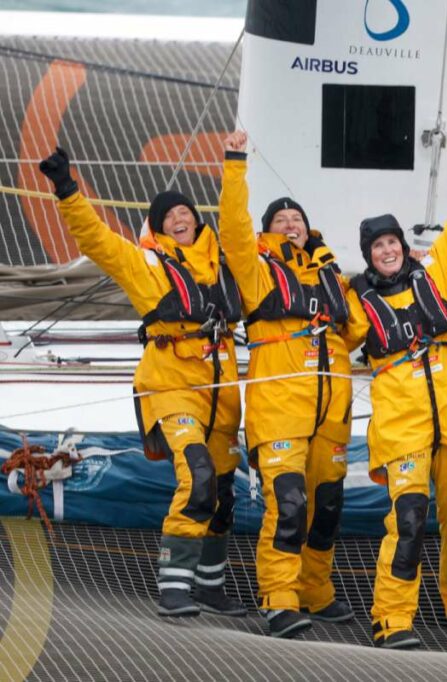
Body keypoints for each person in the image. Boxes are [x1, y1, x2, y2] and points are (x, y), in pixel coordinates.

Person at [39, 148, 245, 619]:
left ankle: (211, 587)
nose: (180, 218)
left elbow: (237, 221)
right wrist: (66, 188)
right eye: (169, 215)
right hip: (171, 387)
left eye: (185, 212)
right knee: (197, 476)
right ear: (157, 226)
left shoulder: (224, 263)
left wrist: (235, 163)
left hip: (223, 395)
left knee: (223, 494)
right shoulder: (144, 265)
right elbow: (95, 239)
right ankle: (173, 584)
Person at [340, 121, 447, 649]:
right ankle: (392, 620)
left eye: (392, 242)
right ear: (369, 255)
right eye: (377, 247)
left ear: (403, 246)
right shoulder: (358, 305)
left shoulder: (437, 277)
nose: (387, 251)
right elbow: (328, 343)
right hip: (402, 433)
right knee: (410, 520)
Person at [218, 131, 355, 638]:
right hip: (279, 407)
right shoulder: (256, 271)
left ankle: (315, 590)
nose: (292, 224)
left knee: (328, 507)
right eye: (282, 220)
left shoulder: (330, 275)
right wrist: (236, 165)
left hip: (330, 408)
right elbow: (232, 232)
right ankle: (279, 597)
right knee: (290, 502)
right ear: (269, 230)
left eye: (297, 218)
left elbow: (359, 326)